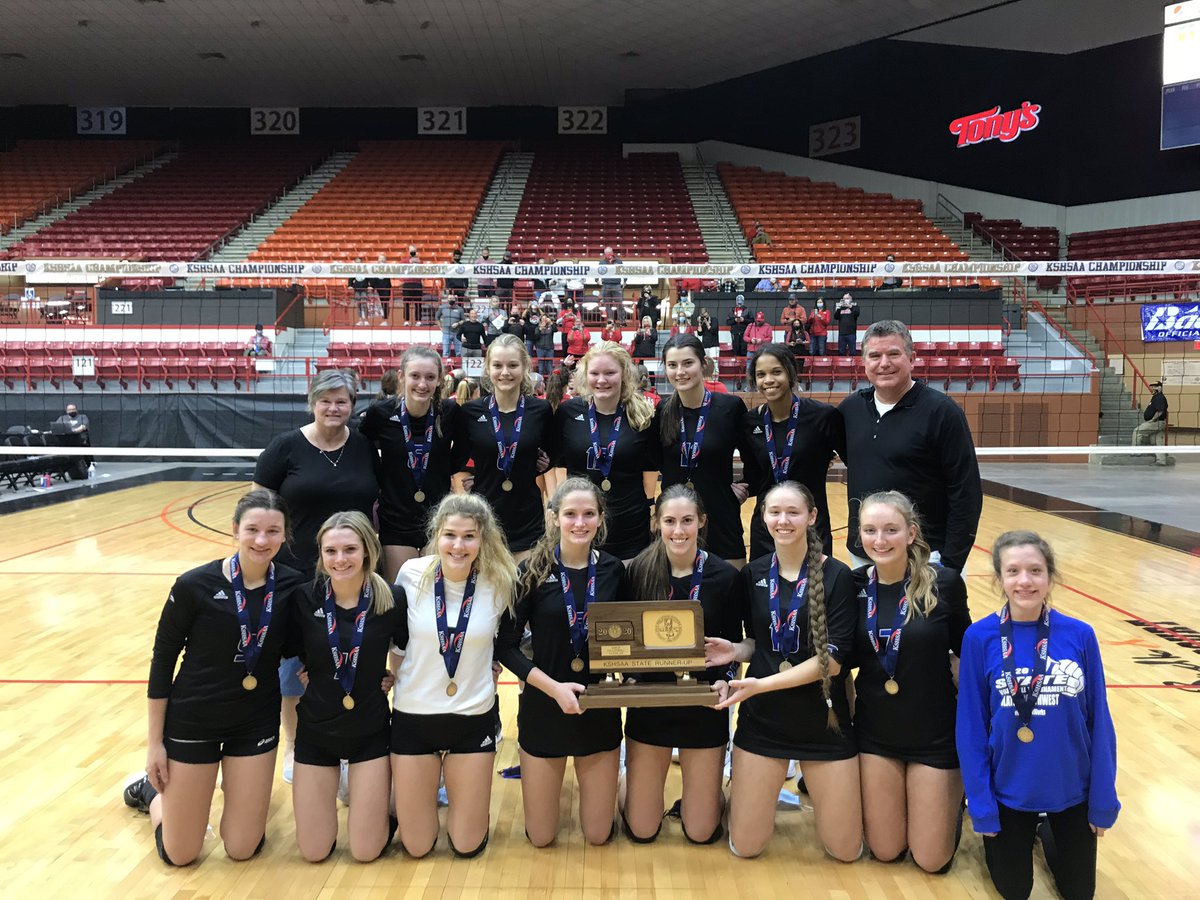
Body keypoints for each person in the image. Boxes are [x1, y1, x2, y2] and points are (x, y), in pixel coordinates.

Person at [122, 489, 306, 866]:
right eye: (252, 529)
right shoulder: (193, 586)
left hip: (254, 722)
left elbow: (302, 644)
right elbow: (162, 663)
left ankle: (231, 800)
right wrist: (154, 745)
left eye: (273, 531)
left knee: (242, 848)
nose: (261, 540)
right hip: (194, 720)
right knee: (181, 855)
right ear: (234, 529)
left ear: (285, 535)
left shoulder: (291, 586)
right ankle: (152, 795)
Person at [958, 531, 1119, 900]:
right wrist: (981, 806)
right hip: (1008, 790)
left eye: (1035, 570)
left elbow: (1100, 722)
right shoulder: (979, 638)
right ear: (999, 579)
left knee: (1080, 894)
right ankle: (1021, 831)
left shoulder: (1080, 635)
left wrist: (1102, 799)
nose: (1025, 581)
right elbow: (970, 728)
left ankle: (1046, 830)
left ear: (1050, 576)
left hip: (1071, 790)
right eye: (1013, 571)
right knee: (1015, 891)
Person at [705, 481, 860, 860]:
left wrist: (760, 684)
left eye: (793, 512)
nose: (784, 520)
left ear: (812, 517)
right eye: (775, 512)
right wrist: (735, 650)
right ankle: (743, 794)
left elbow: (833, 662)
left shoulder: (838, 576)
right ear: (763, 518)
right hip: (764, 722)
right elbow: (760, 641)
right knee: (746, 847)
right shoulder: (753, 574)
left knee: (845, 851)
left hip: (824, 721)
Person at [254, 369, 380, 782]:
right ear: (312, 402)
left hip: (353, 573)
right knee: (295, 665)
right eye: (326, 400)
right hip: (296, 575)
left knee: (349, 660)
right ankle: (294, 745)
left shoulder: (363, 446)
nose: (333, 408)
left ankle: (347, 744)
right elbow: (257, 509)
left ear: (352, 405)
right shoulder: (285, 447)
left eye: (342, 401)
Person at [496, 478, 624, 846]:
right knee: (540, 837)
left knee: (599, 835)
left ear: (600, 519)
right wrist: (553, 689)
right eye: (570, 514)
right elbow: (505, 647)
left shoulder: (615, 570)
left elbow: (631, 637)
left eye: (588, 514)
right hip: (544, 706)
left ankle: (632, 786)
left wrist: (627, 678)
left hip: (598, 708)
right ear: (554, 518)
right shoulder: (530, 571)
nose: (579, 523)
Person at [390, 494, 518, 858]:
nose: (458, 546)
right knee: (416, 846)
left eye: (469, 537)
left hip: (472, 720)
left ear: (483, 539)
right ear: (436, 535)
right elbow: (398, 644)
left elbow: (506, 643)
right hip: (413, 718)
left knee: (466, 844)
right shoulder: (411, 574)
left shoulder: (500, 579)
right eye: (450, 535)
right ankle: (391, 798)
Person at [851, 491, 971, 873]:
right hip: (876, 736)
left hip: (934, 737)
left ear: (911, 533)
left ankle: (954, 802)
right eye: (870, 530)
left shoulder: (945, 583)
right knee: (885, 851)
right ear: (859, 535)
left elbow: (966, 652)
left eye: (891, 529)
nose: (880, 540)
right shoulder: (851, 586)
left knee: (931, 860)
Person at [620, 486, 744, 844]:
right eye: (670, 521)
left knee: (702, 831)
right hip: (651, 701)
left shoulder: (724, 576)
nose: (678, 530)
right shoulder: (639, 570)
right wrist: (627, 677)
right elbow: (627, 640)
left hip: (703, 704)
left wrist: (728, 680)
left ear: (701, 522)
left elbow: (733, 645)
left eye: (687, 521)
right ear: (656, 523)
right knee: (642, 829)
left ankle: (706, 797)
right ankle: (625, 782)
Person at [289, 512, 401, 862]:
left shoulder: (390, 599)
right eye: (331, 551)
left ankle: (393, 808)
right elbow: (291, 651)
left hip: (370, 731)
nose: (340, 560)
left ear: (367, 551)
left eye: (350, 549)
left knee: (366, 852)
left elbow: (409, 649)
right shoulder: (304, 599)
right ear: (321, 555)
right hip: (316, 731)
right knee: (314, 852)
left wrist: (392, 676)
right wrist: (311, 669)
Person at [839, 320, 982, 574]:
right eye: (875, 355)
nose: (884, 363)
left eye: (894, 354)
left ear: (912, 358)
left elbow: (966, 493)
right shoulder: (850, 410)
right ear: (863, 361)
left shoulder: (942, 412)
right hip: (865, 556)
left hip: (925, 557)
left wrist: (950, 564)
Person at [359, 347, 460, 583]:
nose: (422, 384)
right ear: (401, 376)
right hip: (395, 520)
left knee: (434, 594)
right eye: (415, 376)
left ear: (439, 380)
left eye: (430, 377)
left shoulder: (450, 412)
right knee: (400, 596)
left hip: (438, 520)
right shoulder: (381, 413)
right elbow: (361, 448)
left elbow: (469, 447)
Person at [654, 334, 754, 566]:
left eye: (688, 363)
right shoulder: (662, 412)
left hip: (721, 518)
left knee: (729, 597)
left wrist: (747, 486)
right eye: (672, 365)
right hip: (677, 523)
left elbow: (756, 457)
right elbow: (652, 460)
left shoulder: (730, 408)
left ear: (703, 364)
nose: (680, 371)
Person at [551, 342, 657, 561]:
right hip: (582, 528)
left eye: (610, 372)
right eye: (595, 373)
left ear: (624, 374)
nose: (601, 380)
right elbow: (551, 461)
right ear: (585, 375)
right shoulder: (567, 413)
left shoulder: (643, 415)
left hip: (631, 530)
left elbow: (657, 464)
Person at [452, 334, 553, 563]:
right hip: (484, 518)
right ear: (488, 368)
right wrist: (471, 477)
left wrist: (545, 461)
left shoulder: (541, 410)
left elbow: (552, 452)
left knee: (525, 592)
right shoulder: (470, 412)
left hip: (528, 519)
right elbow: (457, 459)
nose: (505, 372)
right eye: (497, 365)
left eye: (513, 365)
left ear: (525, 366)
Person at [743, 345, 843, 559]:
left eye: (776, 372)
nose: (768, 380)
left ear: (791, 373)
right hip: (766, 527)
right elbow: (753, 476)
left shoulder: (823, 416)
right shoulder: (750, 422)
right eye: (761, 375)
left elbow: (855, 460)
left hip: (811, 525)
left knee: (813, 591)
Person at [1133, 380, 1168, 465]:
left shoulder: (1159, 397)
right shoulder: (1155, 397)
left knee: (1137, 431)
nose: (1152, 388)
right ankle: (1161, 461)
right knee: (1158, 441)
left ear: (1160, 387)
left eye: (1155, 386)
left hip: (1156, 422)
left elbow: (1160, 411)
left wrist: (1152, 420)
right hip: (1159, 422)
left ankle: (1135, 452)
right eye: (1152, 386)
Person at [742, 311, 774, 388]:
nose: (758, 322)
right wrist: (751, 340)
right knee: (749, 369)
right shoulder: (750, 325)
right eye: (757, 320)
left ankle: (762, 386)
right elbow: (745, 337)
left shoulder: (768, 326)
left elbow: (770, 338)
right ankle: (749, 387)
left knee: (762, 369)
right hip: (751, 350)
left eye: (760, 321)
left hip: (762, 351)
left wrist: (761, 340)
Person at [726, 306, 750, 387]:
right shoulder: (731, 310)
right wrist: (735, 320)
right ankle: (738, 377)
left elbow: (752, 320)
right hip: (735, 335)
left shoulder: (747, 310)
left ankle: (743, 377)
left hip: (744, 335)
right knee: (736, 356)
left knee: (744, 356)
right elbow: (728, 322)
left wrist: (744, 320)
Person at [599, 246, 624, 311]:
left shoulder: (619, 261)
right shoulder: (602, 262)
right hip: (606, 284)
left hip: (616, 284)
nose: (608, 254)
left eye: (609, 252)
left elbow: (623, 271)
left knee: (619, 304)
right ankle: (610, 320)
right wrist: (596, 280)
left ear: (612, 252)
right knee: (607, 304)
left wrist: (625, 280)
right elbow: (598, 271)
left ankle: (622, 321)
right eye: (607, 253)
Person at [348, 259, 372, 326]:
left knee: (364, 304)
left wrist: (370, 286)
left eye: (359, 263)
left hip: (364, 290)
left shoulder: (365, 270)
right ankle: (360, 320)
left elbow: (370, 279)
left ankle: (366, 320)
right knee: (358, 305)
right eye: (356, 263)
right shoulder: (353, 271)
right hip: (357, 290)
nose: (358, 264)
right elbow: (350, 279)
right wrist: (350, 285)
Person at [372, 253, 392, 325]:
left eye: (383, 258)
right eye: (380, 258)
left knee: (385, 303)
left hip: (386, 287)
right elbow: (373, 277)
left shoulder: (388, 267)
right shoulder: (375, 268)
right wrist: (372, 286)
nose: (381, 260)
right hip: (378, 287)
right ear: (378, 260)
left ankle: (385, 319)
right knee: (379, 304)